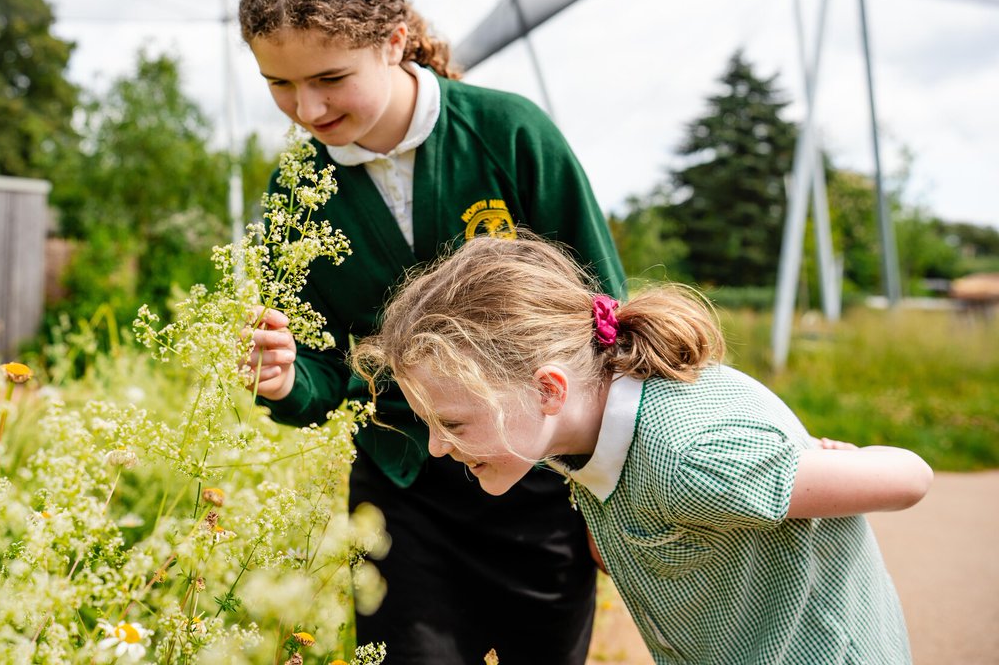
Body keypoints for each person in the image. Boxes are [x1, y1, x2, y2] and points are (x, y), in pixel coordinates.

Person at [238, 0, 626, 664]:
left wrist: (609, 490)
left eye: (329, 79)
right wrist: (288, 378)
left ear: (393, 40)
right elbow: (325, 373)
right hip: (401, 496)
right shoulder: (296, 190)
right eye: (279, 85)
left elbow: (605, 321)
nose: (308, 111)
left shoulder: (510, 134)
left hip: (541, 489)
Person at [352, 234, 933, 665]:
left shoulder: (688, 460)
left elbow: (912, 477)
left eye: (452, 420)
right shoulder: (579, 434)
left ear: (547, 389)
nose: (434, 445)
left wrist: (839, 459)